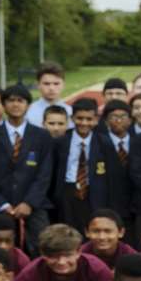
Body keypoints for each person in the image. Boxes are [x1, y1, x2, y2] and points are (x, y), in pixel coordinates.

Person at [0, 85, 55, 254]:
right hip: (0, 206)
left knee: (42, 249)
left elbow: (44, 174)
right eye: (10, 100)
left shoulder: (41, 136)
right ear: (3, 105)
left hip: (34, 205)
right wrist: (2, 204)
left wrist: (29, 203)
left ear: (28, 105)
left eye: (20, 101)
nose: (15, 105)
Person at [51, 97, 100, 228]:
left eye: (89, 119)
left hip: (91, 192)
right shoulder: (60, 142)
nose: (84, 123)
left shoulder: (103, 143)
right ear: (72, 118)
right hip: (67, 190)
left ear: (96, 119)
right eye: (79, 118)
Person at [26, 63, 66, 127]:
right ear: (38, 85)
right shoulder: (28, 113)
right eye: (46, 84)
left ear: (63, 85)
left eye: (56, 84)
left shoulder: (71, 112)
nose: (51, 88)